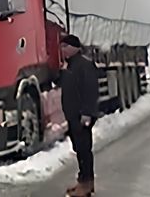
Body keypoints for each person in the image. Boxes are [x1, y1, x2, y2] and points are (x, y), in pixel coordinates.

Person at [59, 34, 99, 196]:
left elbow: (90, 91)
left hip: (82, 115)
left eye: (64, 47)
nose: (61, 50)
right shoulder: (70, 66)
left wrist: (87, 113)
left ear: (73, 48)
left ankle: (87, 184)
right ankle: (82, 181)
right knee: (79, 149)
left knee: (84, 149)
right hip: (73, 116)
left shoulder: (85, 65)